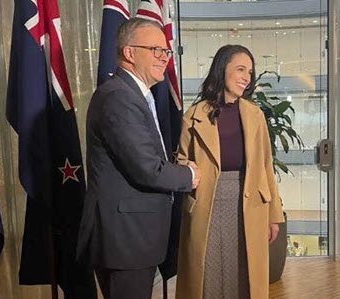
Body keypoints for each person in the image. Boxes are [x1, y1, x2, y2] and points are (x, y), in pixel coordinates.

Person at [76, 18, 200, 299]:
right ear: (129, 53)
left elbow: (140, 155)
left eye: (166, 52)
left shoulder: (136, 95)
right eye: (155, 50)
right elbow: (146, 169)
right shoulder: (118, 97)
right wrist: (190, 176)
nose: (164, 58)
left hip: (134, 237)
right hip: (125, 239)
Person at [175, 45, 285, 299]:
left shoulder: (255, 115)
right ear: (222, 69)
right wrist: (185, 166)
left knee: (244, 272)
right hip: (206, 199)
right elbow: (181, 159)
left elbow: (266, 166)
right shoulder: (194, 115)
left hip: (248, 200)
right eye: (240, 69)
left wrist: (273, 215)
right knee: (207, 272)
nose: (246, 77)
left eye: (249, 71)